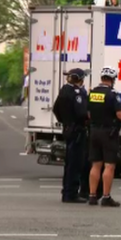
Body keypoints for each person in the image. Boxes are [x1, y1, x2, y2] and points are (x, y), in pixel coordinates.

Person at [87, 66, 121, 207]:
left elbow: (88, 114)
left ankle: (92, 196)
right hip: (108, 133)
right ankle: (106, 197)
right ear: (112, 80)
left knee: (95, 165)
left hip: (94, 131)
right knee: (109, 166)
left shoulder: (93, 93)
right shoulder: (113, 94)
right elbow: (119, 114)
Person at [52, 68, 89, 203]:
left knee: (69, 163)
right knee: (76, 163)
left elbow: (56, 109)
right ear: (80, 79)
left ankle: (66, 190)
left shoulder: (64, 90)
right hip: (77, 130)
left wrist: (65, 121)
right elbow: (81, 113)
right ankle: (71, 193)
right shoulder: (77, 93)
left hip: (67, 128)